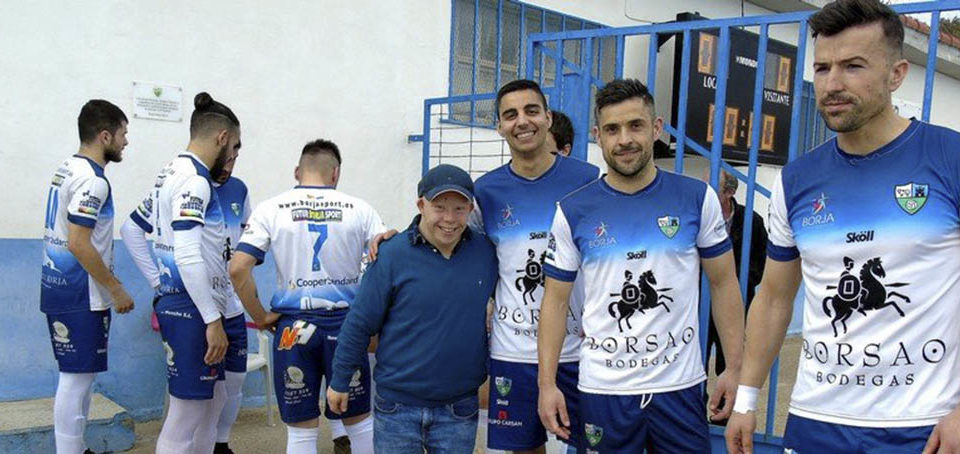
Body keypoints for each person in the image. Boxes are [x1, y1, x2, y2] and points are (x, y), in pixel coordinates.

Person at [726, 1, 960, 453]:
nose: (832, 84)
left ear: (897, 74)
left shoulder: (949, 158)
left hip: (923, 426)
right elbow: (774, 297)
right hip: (817, 422)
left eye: (853, 66)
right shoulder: (796, 180)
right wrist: (746, 399)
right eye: (822, 67)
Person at [537, 78, 745, 453]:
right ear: (598, 136)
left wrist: (735, 367)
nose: (625, 140)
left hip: (679, 389)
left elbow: (725, 283)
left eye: (635, 125)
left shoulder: (697, 198)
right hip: (604, 390)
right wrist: (546, 384)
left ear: (656, 128)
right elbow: (554, 302)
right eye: (613, 129)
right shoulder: (572, 211)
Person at [327, 164, 498, 453]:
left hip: (459, 408)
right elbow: (359, 323)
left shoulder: (486, 253)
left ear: (470, 209)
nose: (449, 218)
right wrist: (340, 380)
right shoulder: (392, 255)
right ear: (421, 204)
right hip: (397, 408)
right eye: (439, 207)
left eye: (459, 208)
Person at [229, 139, 383, 454]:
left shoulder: (270, 208)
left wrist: (259, 317)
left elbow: (237, 269)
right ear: (335, 173)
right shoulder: (361, 209)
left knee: (300, 432)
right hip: (347, 328)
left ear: (297, 171)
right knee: (359, 423)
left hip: (293, 329)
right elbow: (386, 262)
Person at [126, 92, 241, 454]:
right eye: (235, 146)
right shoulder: (196, 180)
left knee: (214, 400)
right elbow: (188, 254)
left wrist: (159, 283)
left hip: (183, 302)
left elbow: (132, 229)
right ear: (221, 137)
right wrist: (211, 318)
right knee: (186, 413)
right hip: (193, 309)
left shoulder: (169, 172)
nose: (235, 155)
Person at [41, 100, 133, 454]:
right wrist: (116, 289)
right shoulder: (92, 181)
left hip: (60, 287)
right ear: (105, 135)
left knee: (79, 376)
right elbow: (79, 243)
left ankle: (75, 448)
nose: (126, 142)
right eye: (123, 134)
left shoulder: (66, 168)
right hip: (81, 293)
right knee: (76, 379)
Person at [705, 169, 767, 422]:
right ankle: (692, 414)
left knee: (730, 361)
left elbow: (760, 262)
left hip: (738, 305)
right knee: (694, 362)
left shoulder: (752, 221)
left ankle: (723, 415)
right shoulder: (699, 217)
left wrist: (739, 285)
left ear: (729, 192)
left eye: (714, 187)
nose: (707, 192)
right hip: (699, 304)